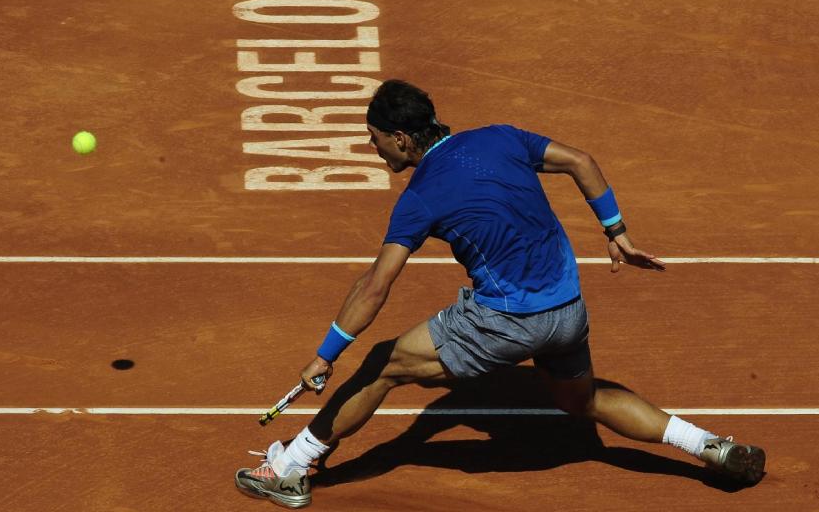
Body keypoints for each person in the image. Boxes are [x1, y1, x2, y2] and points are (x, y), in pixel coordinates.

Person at [235, 79, 766, 508]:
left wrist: (325, 356)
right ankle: (710, 447)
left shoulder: (419, 198)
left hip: (508, 319)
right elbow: (581, 161)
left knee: (382, 365)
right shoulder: (501, 137)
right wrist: (616, 232)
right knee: (581, 399)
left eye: (373, 138)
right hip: (568, 310)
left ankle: (292, 466)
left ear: (400, 137)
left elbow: (375, 286)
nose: (372, 149)